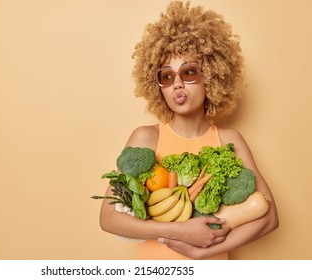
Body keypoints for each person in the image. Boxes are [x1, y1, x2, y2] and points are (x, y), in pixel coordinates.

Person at [99, 0, 279, 260]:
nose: (178, 85)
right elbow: (108, 218)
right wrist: (182, 232)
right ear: (158, 85)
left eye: (189, 72)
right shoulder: (146, 138)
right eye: (167, 76)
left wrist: (205, 249)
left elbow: (270, 217)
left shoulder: (229, 139)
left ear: (212, 75)